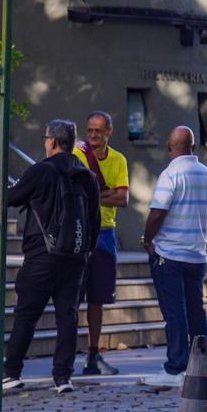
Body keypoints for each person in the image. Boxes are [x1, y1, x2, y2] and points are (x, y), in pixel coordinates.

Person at [0, 119, 100, 393]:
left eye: (45, 138)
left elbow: (9, 199)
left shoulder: (41, 171)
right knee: (68, 316)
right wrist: (84, 250)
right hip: (75, 256)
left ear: (51, 141)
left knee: (26, 313)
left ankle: (11, 372)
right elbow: (95, 220)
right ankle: (63, 377)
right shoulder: (86, 174)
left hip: (42, 255)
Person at [139, 126, 207, 387]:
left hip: (169, 254)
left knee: (174, 312)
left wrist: (148, 239)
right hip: (196, 255)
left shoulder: (170, 175)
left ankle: (175, 368)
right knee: (196, 311)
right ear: (193, 148)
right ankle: (200, 365)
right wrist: (199, 231)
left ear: (169, 147)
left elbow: (157, 213)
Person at [73, 110, 129, 376]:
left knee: (98, 297)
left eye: (98, 131)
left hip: (105, 232)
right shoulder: (77, 155)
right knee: (72, 296)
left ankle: (93, 353)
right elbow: (76, 195)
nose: (93, 135)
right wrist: (105, 194)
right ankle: (67, 353)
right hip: (80, 230)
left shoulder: (118, 160)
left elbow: (123, 199)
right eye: (90, 130)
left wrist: (94, 195)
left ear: (109, 132)